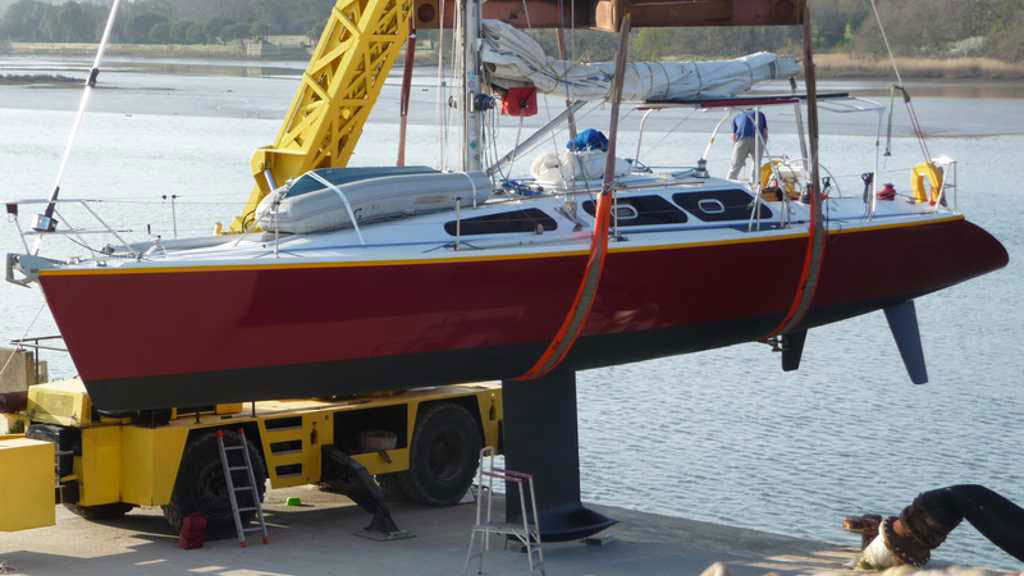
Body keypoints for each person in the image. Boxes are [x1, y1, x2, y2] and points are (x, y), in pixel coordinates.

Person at [728, 110, 767, 180]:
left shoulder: (736, 117)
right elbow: (765, 131)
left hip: (741, 140)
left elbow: (734, 136)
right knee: (757, 164)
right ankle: (755, 184)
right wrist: (764, 143)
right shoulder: (760, 114)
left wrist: (734, 147)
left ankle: (730, 182)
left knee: (735, 165)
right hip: (757, 140)